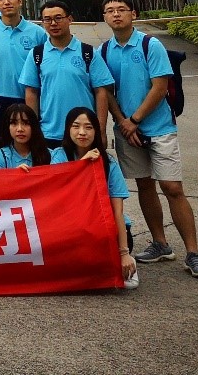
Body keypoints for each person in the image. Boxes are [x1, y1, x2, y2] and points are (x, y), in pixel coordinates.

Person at [100, 0, 198, 279]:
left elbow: (160, 87)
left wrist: (134, 120)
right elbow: (106, 91)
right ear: (104, 17)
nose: (116, 14)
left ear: (133, 14)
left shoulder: (150, 44)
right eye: (110, 11)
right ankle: (160, 243)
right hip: (127, 131)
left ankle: (193, 253)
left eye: (121, 9)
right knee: (144, 185)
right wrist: (123, 122)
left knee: (172, 187)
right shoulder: (103, 51)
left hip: (160, 128)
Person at [53, 106, 138, 288]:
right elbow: (58, 194)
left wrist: (124, 253)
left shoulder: (109, 163)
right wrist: (82, 165)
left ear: (96, 132)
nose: (82, 132)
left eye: (88, 127)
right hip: (73, 228)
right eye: (76, 126)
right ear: (68, 129)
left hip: (104, 229)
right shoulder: (59, 156)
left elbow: (117, 212)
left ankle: (126, 263)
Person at [20, 0, 112, 142]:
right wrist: (33, 129)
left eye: (58, 18)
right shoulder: (37, 54)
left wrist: (101, 131)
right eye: (47, 19)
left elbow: (101, 92)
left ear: (70, 19)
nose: (53, 23)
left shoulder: (88, 53)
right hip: (49, 133)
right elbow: (31, 92)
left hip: (84, 133)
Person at [0, 102, 52, 169]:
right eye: (14, 123)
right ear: (8, 127)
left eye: (26, 123)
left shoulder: (49, 154)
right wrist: (16, 174)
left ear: (34, 126)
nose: (20, 129)